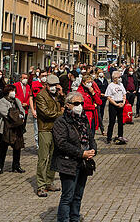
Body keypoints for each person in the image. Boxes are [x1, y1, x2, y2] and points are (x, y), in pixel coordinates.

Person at [51, 91, 97, 222]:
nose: (80, 106)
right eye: (76, 103)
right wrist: (81, 153)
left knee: (78, 195)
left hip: (83, 163)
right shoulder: (61, 121)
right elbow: (61, 143)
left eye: (81, 103)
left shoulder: (83, 119)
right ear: (67, 105)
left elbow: (90, 136)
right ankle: (63, 219)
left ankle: (75, 218)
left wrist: (93, 150)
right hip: (68, 162)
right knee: (68, 196)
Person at [34, 75, 64, 198]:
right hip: (45, 129)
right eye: (51, 85)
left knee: (53, 156)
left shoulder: (57, 95)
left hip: (55, 129)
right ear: (46, 85)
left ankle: (49, 181)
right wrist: (61, 113)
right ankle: (41, 185)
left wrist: (62, 94)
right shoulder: (41, 96)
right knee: (43, 158)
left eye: (55, 85)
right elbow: (46, 113)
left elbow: (67, 103)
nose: (53, 88)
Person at [0, 84, 26, 174]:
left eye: (14, 91)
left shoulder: (16, 100)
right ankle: (0, 165)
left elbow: (22, 110)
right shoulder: (2, 101)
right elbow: (6, 113)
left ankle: (16, 165)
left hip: (16, 128)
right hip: (4, 128)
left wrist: (20, 116)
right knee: (3, 147)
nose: (14, 93)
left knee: (17, 147)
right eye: (12, 91)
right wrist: (17, 116)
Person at [105, 71, 127, 145]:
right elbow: (108, 97)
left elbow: (124, 94)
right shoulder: (110, 86)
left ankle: (120, 136)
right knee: (112, 121)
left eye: (120, 77)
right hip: (113, 104)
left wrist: (123, 102)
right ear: (114, 78)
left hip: (121, 103)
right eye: (118, 77)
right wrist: (116, 104)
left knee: (120, 122)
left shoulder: (121, 85)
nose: (119, 79)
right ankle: (109, 137)